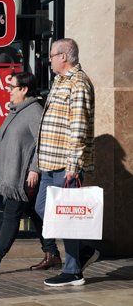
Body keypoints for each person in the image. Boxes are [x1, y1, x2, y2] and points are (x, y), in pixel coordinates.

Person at [0, 71, 62, 275]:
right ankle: (52, 254)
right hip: (14, 175)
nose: (8, 91)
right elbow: (3, 141)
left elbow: (43, 143)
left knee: (10, 215)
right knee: (35, 214)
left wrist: (34, 169)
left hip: (23, 177)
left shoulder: (34, 112)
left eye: (11, 87)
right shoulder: (15, 111)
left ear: (24, 89)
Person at [35, 38, 100, 287]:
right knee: (44, 209)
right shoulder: (60, 81)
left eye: (51, 55)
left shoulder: (79, 83)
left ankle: (73, 271)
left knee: (67, 217)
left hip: (66, 164)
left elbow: (79, 127)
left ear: (64, 57)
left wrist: (74, 165)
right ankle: (83, 250)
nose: (48, 59)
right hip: (49, 162)